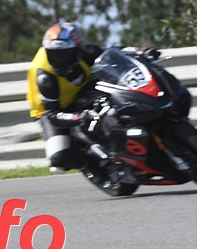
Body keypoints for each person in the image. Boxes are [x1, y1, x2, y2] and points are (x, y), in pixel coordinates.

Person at [27, 21, 160, 171]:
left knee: (120, 102)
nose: (59, 60)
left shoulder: (85, 53)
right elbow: (53, 114)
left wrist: (141, 51)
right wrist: (79, 117)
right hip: (53, 110)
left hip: (83, 91)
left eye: (65, 54)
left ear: (77, 49)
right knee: (59, 158)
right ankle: (91, 166)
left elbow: (113, 52)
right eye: (54, 54)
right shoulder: (45, 76)